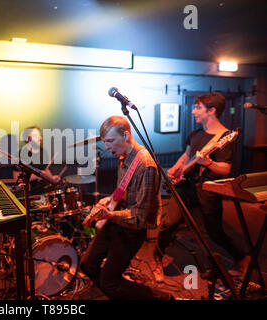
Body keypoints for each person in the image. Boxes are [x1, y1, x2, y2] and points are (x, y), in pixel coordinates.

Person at [153, 92, 250, 282]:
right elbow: (187, 155)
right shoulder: (196, 133)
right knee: (169, 223)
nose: (193, 112)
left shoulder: (225, 137)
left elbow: (225, 169)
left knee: (214, 232)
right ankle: (157, 258)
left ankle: (242, 258)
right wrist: (176, 168)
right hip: (185, 185)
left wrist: (208, 163)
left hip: (207, 189)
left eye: (198, 108)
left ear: (211, 110)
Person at [79, 115, 171, 299]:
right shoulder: (123, 156)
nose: (106, 147)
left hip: (132, 229)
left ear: (126, 135)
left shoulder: (146, 165)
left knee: (109, 282)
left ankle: (161, 297)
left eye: (110, 141)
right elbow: (124, 191)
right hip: (118, 220)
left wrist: (110, 216)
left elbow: (139, 217)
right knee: (87, 265)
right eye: (105, 142)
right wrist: (109, 200)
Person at [12, 126, 60, 195]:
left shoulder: (43, 152)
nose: (40, 138)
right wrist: (39, 174)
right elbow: (16, 178)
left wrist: (52, 179)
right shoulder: (20, 154)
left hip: (45, 192)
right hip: (30, 194)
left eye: (39, 135)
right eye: (36, 135)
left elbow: (46, 171)